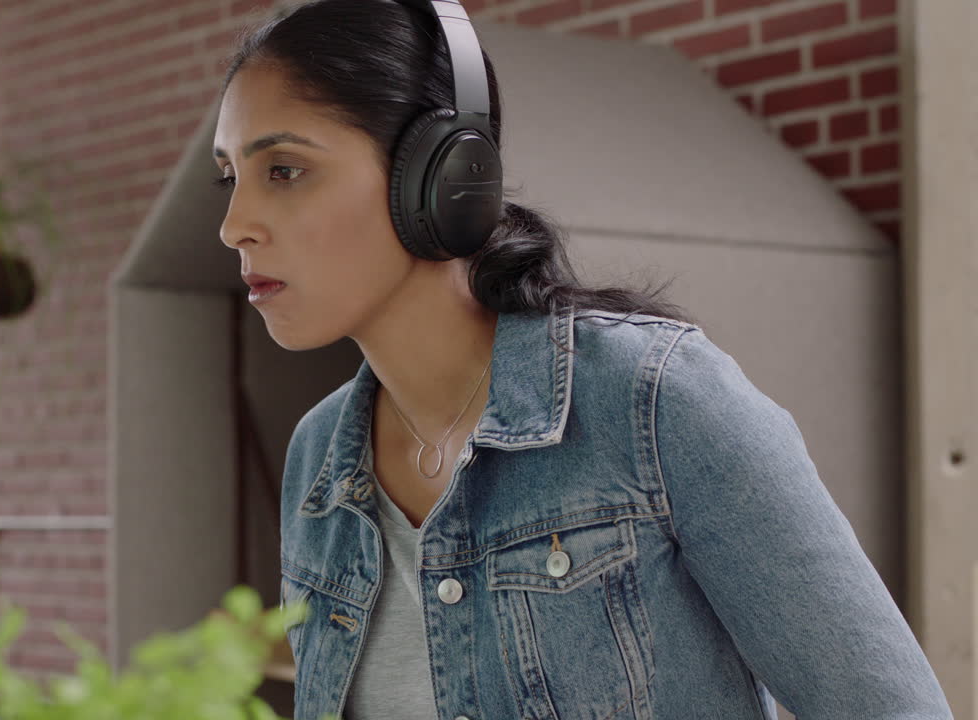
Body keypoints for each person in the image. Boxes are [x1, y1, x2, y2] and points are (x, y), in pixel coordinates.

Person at [210, 1, 954, 718]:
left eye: (283, 170)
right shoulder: (320, 459)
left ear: (440, 176)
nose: (234, 225)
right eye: (228, 178)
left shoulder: (654, 402)